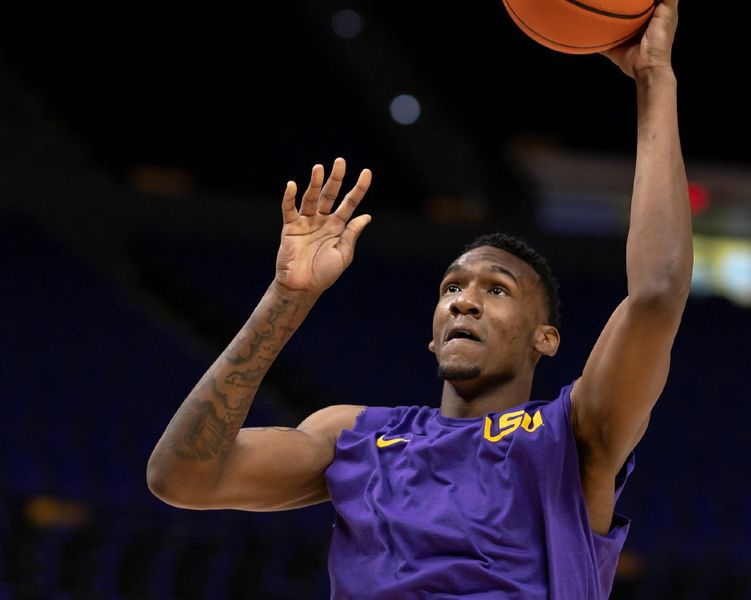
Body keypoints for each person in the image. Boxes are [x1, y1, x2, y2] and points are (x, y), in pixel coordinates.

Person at [147, 1, 691, 597]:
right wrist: (287, 297)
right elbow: (181, 478)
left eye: (497, 289)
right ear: (432, 334)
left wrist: (652, 82)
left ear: (547, 337)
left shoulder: (572, 435)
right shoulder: (351, 436)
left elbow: (658, 294)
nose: (464, 301)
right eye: (452, 288)